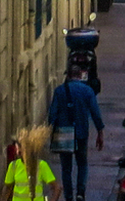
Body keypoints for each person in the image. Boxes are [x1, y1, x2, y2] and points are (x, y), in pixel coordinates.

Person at [47, 60, 107, 201]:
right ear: (80, 75)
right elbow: (95, 113)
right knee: (82, 163)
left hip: (63, 134)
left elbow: (52, 115)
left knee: (66, 168)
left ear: (68, 75)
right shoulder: (87, 91)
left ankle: (68, 196)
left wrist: (53, 132)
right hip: (81, 133)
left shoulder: (59, 91)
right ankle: (80, 192)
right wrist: (100, 132)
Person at [3, 135, 56, 201]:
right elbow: (8, 189)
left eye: (18, 148)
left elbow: (56, 188)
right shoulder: (13, 165)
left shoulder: (41, 165)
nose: (17, 151)